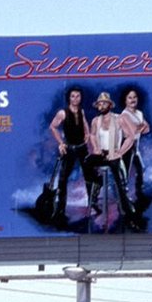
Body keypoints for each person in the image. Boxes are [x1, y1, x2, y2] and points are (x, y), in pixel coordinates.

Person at [83, 92, 140, 229]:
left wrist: (119, 153)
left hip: (114, 154)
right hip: (101, 153)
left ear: (109, 105)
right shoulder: (96, 121)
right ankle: (96, 188)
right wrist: (96, 147)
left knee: (120, 185)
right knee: (87, 162)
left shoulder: (119, 119)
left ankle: (130, 217)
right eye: (99, 104)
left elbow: (131, 137)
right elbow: (91, 134)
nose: (101, 106)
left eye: (103, 103)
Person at [47, 86, 97, 224]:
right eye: (73, 96)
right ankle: (59, 211)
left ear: (81, 98)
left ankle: (92, 205)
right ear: (69, 98)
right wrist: (60, 143)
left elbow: (85, 124)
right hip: (69, 149)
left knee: (89, 176)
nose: (75, 99)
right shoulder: (63, 113)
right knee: (62, 180)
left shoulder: (81, 111)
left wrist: (87, 134)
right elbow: (52, 126)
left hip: (81, 148)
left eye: (78, 96)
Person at [118, 87, 151, 201]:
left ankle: (139, 192)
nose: (132, 100)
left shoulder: (139, 113)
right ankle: (123, 197)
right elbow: (132, 132)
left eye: (134, 97)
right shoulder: (124, 115)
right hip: (127, 145)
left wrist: (138, 128)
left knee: (141, 169)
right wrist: (139, 127)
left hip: (135, 146)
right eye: (130, 98)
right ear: (125, 100)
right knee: (125, 172)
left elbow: (147, 129)